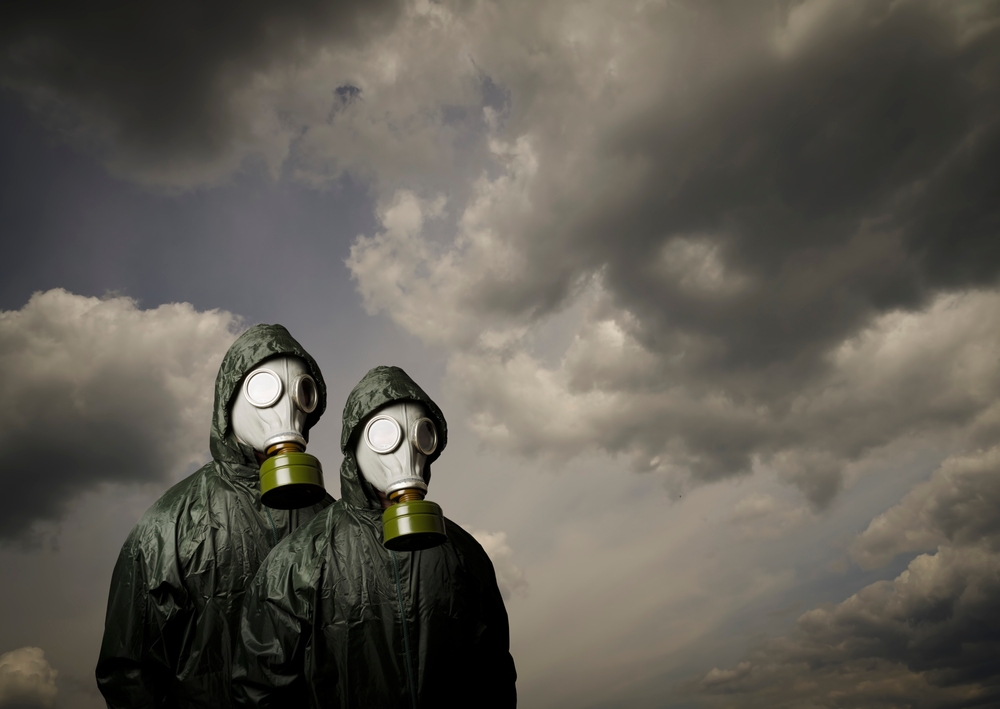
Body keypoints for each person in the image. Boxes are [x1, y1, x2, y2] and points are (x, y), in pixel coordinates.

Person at [233, 365, 517, 708]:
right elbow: (261, 688)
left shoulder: (464, 555)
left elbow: (494, 673)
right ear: (354, 446)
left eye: (420, 435)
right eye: (383, 435)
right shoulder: (298, 560)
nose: (405, 452)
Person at [96, 324, 334, 709]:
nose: (286, 408)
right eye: (264, 389)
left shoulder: (333, 523)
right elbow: (129, 671)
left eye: (302, 392)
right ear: (231, 398)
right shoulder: (169, 525)